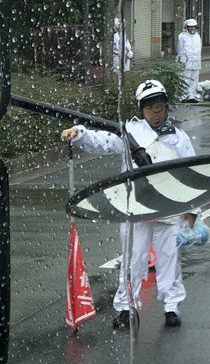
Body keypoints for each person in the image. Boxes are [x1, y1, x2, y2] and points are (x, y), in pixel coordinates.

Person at [60, 80, 200, 329]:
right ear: (141, 109)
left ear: (165, 106)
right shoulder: (129, 133)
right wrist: (79, 133)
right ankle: (125, 307)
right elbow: (101, 140)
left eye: (159, 107)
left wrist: (192, 209)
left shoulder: (178, 137)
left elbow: (192, 173)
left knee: (169, 258)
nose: (155, 113)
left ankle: (171, 307)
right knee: (133, 259)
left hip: (169, 207)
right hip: (136, 207)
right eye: (149, 108)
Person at [176, 18, 202, 102]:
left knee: (194, 79)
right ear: (187, 27)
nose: (192, 28)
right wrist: (179, 60)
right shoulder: (182, 36)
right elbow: (179, 49)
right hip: (186, 61)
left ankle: (191, 96)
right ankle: (183, 96)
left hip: (196, 61)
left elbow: (199, 48)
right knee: (185, 79)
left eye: (194, 27)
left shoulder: (197, 36)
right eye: (190, 27)